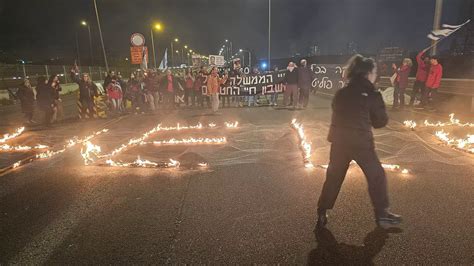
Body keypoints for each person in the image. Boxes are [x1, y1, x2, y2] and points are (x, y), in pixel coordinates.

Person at [316, 54, 401, 229]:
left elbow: (336, 112)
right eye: (375, 71)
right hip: (362, 143)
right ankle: (382, 215)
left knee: (333, 178)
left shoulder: (341, 93)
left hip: (339, 142)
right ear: (368, 73)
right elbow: (380, 122)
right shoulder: (372, 94)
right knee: (376, 176)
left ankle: (322, 210)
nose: (376, 75)